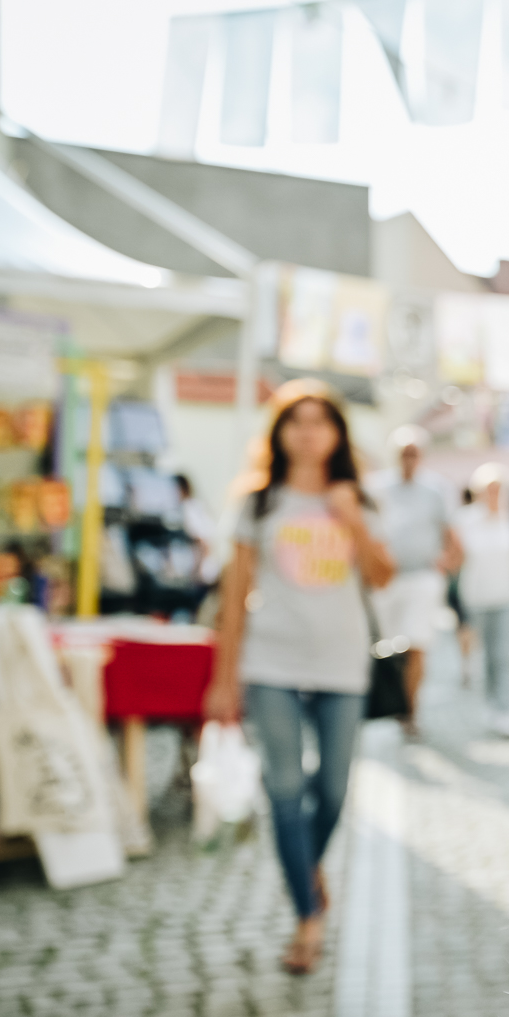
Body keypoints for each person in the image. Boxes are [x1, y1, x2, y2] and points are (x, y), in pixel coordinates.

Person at [204, 380, 394, 975]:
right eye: (295, 421)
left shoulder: (354, 496)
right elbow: (234, 597)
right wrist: (223, 678)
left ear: (338, 432)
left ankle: (306, 865)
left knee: (333, 789)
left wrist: (352, 520)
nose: (308, 432)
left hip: (342, 663)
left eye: (320, 421)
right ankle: (308, 918)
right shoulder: (257, 503)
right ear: (278, 432)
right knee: (284, 790)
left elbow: (384, 575)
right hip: (273, 664)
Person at [367, 426, 463, 739]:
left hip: (421, 577)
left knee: (417, 645)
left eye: (414, 453)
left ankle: (409, 711)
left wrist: (447, 565)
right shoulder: (376, 487)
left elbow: (450, 534)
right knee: (383, 646)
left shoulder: (436, 489)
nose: (409, 459)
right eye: (403, 453)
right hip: (385, 580)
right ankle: (385, 704)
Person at [454, 463, 509, 734]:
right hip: (476, 597)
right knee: (484, 657)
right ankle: (489, 705)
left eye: (498, 489)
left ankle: (504, 709)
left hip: (506, 596)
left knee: (503, 656)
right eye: (488, 489)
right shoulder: (465, 521)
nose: (493, 494)